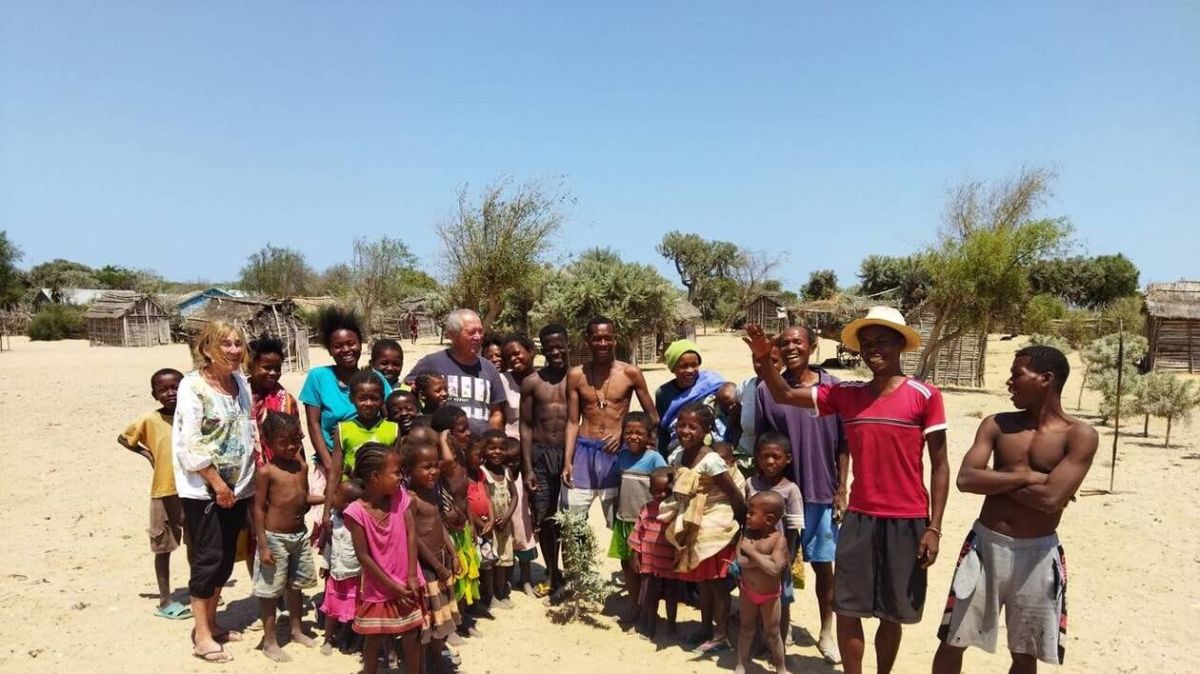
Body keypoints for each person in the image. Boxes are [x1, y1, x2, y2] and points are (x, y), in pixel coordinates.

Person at [745, 306, 950, 674]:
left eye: (882, 342)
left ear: (901, 345)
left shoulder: (925, 395)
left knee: (893, 612)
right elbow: (785, 395)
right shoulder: (846, 394)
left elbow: (941, 465)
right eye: (867, 343)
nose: (874, 349)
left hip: (908, 519)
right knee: (847, 606)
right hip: (859, 518)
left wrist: (934, 527)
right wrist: (763, 361)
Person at [932, 346, 1097, 674]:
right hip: (985, 546)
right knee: (953, 638)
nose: (1009, 382)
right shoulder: (997, 424)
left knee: (1025, 651)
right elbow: (966, 478)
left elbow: (1050, 500)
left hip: (1038, 554)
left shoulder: (1080, 435)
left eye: (1017, 374)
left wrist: (995, 479)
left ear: (1045, 379)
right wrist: (1028, 476)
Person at [754, 325, 848, 662]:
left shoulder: (833, 387)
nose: (791, 347)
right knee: (780, 564)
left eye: (798, 341)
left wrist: (842, 488)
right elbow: (763, 441)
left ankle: (826, 631)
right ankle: (784, 625)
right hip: (781, 495)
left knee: (824, 564)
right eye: (785, 342)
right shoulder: (767, 389)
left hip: (822, 490)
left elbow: (843, 443)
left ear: (813, 345)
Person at [173, 320, 258, 663]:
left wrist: (239, 484)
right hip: (206, 490)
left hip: (238, 486)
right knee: (207, 559)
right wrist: (217, 483)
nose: (235, 350)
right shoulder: (192, 386)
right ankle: (202, 635)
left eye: (238, 344)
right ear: (207, 349)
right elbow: (188, 443)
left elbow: (246, 428)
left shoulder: (240, 382)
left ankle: (213, 622)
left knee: (224, 559)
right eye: (226, 344)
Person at [659, 402, 745, 654]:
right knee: (703, 583)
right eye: (681, 425)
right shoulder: (677, 455)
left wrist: (739, 528)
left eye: (692, 427)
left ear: (707, 429)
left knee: (717, 585)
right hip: (693, 523)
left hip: (715, 526)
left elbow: (734, 496)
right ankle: (706, 628)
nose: (685, 431)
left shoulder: (711, 460)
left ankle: (721, 635)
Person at [563, 316, 659, 528]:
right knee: (571, 523)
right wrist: (567, 461)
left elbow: (652, 417)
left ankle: (626, 562)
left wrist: (622, 433)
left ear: (615, 340)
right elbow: (572, 422)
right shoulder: (576, 375)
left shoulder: (630, 373)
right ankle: (579, 562)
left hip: (617, 454)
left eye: (608, 338)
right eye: (597, 339)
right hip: (583, 452)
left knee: (621, 524)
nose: (603, 344)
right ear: (587, 340)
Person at [118, 367, 189, 619]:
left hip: (192, 489)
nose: (170, 393)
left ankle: (198, 589)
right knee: (164, 545)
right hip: (164, 489)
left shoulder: (191, 415)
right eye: (163, 389)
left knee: (196, 541)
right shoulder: (150, 420)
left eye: (176, 387)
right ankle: (165, 599)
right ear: (154, 394)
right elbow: (125, 438)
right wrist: (148, 454)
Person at [300, 308, 392, 499]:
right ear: (329, 349)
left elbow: (389, 418)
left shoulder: (375, 379)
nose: (346, 350)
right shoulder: (319, 377)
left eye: (351, 343)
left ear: (360, 343)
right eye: (338, 346)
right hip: (332, 463)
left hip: (374, 466)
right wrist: (330, 465)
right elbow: (313, 424)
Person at [252, 412, 321, 662]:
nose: (291, 447)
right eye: (283, 442)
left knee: (296, 587)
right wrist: (263, 544)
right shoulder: (266, 472)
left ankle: (295, 630)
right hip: (275, 538)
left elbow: (302, 500)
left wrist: (329, 498)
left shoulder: (301, 467)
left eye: (295, 440)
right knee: (270, 592)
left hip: (299, 537)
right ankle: (269, 641)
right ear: (269, 441)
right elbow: (259, 508)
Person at [519, 324, 571, 597]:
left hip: (570, 457)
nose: (555, 351)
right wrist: (527, 467)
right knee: (547, 518)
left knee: (571, 518)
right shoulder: (532, 382)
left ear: (567, 343)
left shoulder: (578, 379)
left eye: (559, 345)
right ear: (542, 349)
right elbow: (525, 426)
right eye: (549, 347)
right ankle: (552, 573)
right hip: (541, 456)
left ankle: (573, 573)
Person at [404, 440, 463, 671]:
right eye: (425, 467)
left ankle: (437, 657)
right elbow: (414, 538)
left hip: (442, 560)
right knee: (428, 618)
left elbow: (440, 526)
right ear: (410, 472)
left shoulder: (432, 491)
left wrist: (453, 553)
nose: (433, 471)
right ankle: (424, 663)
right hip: (426, 567)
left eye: (434, 465)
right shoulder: (411, 499)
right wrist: (437, 566)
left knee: (442, 615)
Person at [745, 431, 805, 647]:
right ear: (757, 458)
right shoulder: (751, 484)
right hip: (754, 554)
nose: (770, 461)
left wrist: (787, 556)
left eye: (776, 456)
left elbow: (794, 528)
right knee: (753, 596)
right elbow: (746, 519)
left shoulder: (791, 490)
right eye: (764, 456)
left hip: (778, 556)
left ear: (787, 458)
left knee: (781, 599)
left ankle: (779, 640)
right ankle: (758, 642)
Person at [405, 308, 506, 436]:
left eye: (480, 331)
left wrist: (489, 440)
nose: (478, 337)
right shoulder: (431, 362)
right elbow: (407, 391)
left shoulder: (489, 368)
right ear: (452, 335)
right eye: (471, 332)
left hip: (478, 449)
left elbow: (496, 413)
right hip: (442, 446)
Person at [608, 411, 667, 620]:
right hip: (624, 520)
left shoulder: (654, 459)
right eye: (629, 432)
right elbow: (618, 486)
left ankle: (647, 611)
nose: (633, 437)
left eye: (639, 433)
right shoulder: (622, 457)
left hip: (645, 525)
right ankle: (634, 604)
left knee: (645, 568)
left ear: (650, 436)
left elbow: (665, 486)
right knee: (626, 564)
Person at [735, 490, 790, 674]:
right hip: (747, 592)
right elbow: (740, 561)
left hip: (770, 596)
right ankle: (740, 664)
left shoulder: (779, 540)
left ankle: (780, 667)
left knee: (773, 633)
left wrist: (752, 553)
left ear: (768, 519)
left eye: (752, 513)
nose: (747, 516)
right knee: (746, 629)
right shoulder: (747, 534)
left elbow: (775, 569)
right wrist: (764, 561)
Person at [627, 467, 679, 639]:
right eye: (657, 491)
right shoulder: (646, 509)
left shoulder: (676, 510)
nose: (662, 494)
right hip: (650, 562)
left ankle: (671, 626)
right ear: (650, 490)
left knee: (672, 596)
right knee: (651, 595)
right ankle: (650, 625)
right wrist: (635, 555)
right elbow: (637, 532)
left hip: (670, 563)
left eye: (666, 491)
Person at [328, 369, 401, 486]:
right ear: (352, 399)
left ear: (382, 399)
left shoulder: (393, 429)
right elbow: (335, 472)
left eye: (374, 398)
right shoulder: (342, 430)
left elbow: (396, 469)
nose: (368, 403)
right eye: (362, 398)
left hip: (382, 494)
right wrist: (328, 503)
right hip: (351, 494)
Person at [655, 339, 726, 455]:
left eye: (694, 365)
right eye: (683, 366)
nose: (690, 370)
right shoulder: (663, 393)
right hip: (679, 448)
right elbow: (662, 430)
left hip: (715, 446)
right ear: (673, 368)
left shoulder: (712, 383)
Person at [320, 479, 364, 656]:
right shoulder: (333, 519)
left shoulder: (357, 525)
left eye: (336, 494)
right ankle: (328, 639)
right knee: (331, 610)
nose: (332, 496)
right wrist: (325, 563)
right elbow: (330, 543)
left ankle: (345, 637)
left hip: (353, 575)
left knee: (350, 611)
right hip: (336, 574)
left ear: (347, 504)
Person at [246, 335, 302, 466]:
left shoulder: (287, 401)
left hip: (280, 468)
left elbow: (296, 438)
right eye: (266, 367)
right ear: (250, 366)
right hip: (249, 469)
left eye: (277, 368)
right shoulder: (240, 396)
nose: (273, 373)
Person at [477, 430, 517, 610]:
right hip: (488, 524)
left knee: (503, 560)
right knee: (489, 562)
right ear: (483, 450)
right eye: (492, 448)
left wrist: (507, 517)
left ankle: (501, 593)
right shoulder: (482, 472)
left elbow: (515, 496)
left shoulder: (507, 471)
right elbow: (484, 497)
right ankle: (490, 595)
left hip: (505, 524)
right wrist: (493, 521)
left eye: (502, 448)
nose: (497, 452)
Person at [504, 436, 537, 596]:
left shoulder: (525, 477)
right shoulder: (501, 476)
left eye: (516, 460)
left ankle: (526, 581)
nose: (512, 464)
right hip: (506, 523)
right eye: (508, 460)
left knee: (525, 554)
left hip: (524, 523)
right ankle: (507, 582)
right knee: (507, 553)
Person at [500, 333, 536, 440]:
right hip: (511, 445)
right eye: (508, 357)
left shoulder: (544, 380)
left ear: (530, 352)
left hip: (538, 446)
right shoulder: (502, 380)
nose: (513, 359)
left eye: (516, 353)